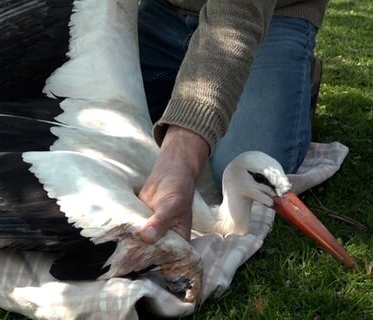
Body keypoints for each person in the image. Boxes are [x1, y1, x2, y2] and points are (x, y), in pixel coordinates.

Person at [136, 0, 327, 243]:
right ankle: (182, 76)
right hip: (164, 9)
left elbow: (239, 11)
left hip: (269, 15)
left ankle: (298, 81)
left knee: (243, 157)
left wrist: (180, 157)